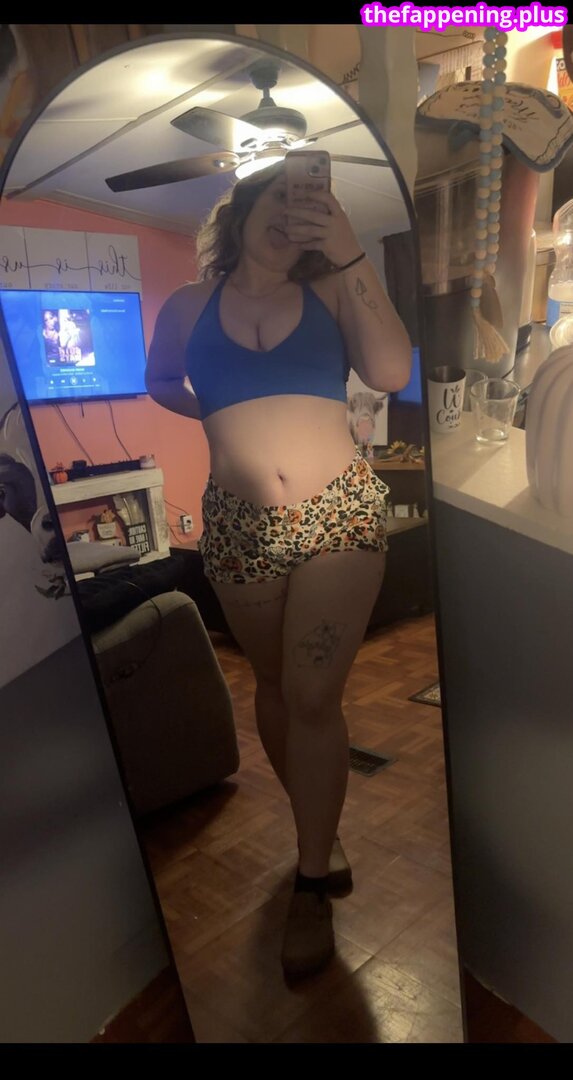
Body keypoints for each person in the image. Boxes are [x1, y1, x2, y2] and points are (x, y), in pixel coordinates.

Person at [146, 161, 412, 979]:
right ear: (241, 212)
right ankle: (317, 830)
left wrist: (349, 249)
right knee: (271, 685)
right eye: (279, 198)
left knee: (311, 695)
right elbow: (157, 380)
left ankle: (310, 882)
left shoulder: (332, 290)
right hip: (237, 525)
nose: (291, 215)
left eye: (310, 205)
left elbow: (391, 374)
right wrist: (221, 413)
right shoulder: (187, 305)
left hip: (337, 513)